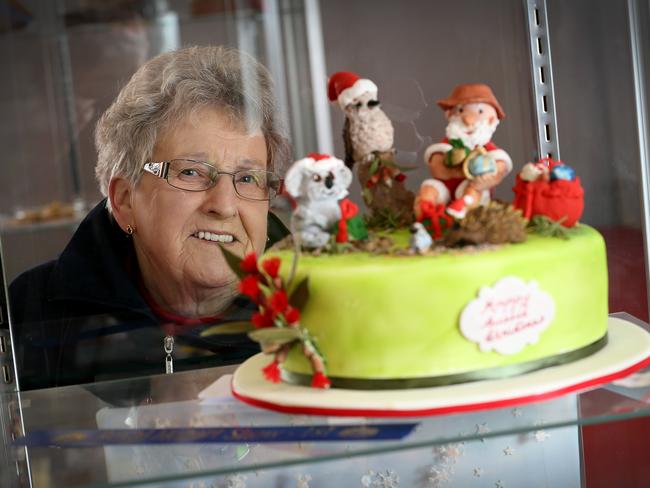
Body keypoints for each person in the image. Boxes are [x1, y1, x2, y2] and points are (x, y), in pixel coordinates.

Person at [9, 46, 290, 390]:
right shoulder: (29, 310)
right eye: (191, 173)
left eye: (248, 178)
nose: (225, 205)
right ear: (125, 200)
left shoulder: (315, 305)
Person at [415, 83, 512, 220]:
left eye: (479, 112)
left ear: (491, 119)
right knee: (429, 190)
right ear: (449, 115)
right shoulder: (447, 146)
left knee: (473, 191)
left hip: (474, 187)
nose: (468, 119)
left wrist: (489, 178)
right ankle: (426, 216)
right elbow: (436, 167)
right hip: (445, 187)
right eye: (461, 111)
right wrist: (457, 171)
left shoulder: (487, 149)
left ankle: (460, 211)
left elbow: (500, 167)